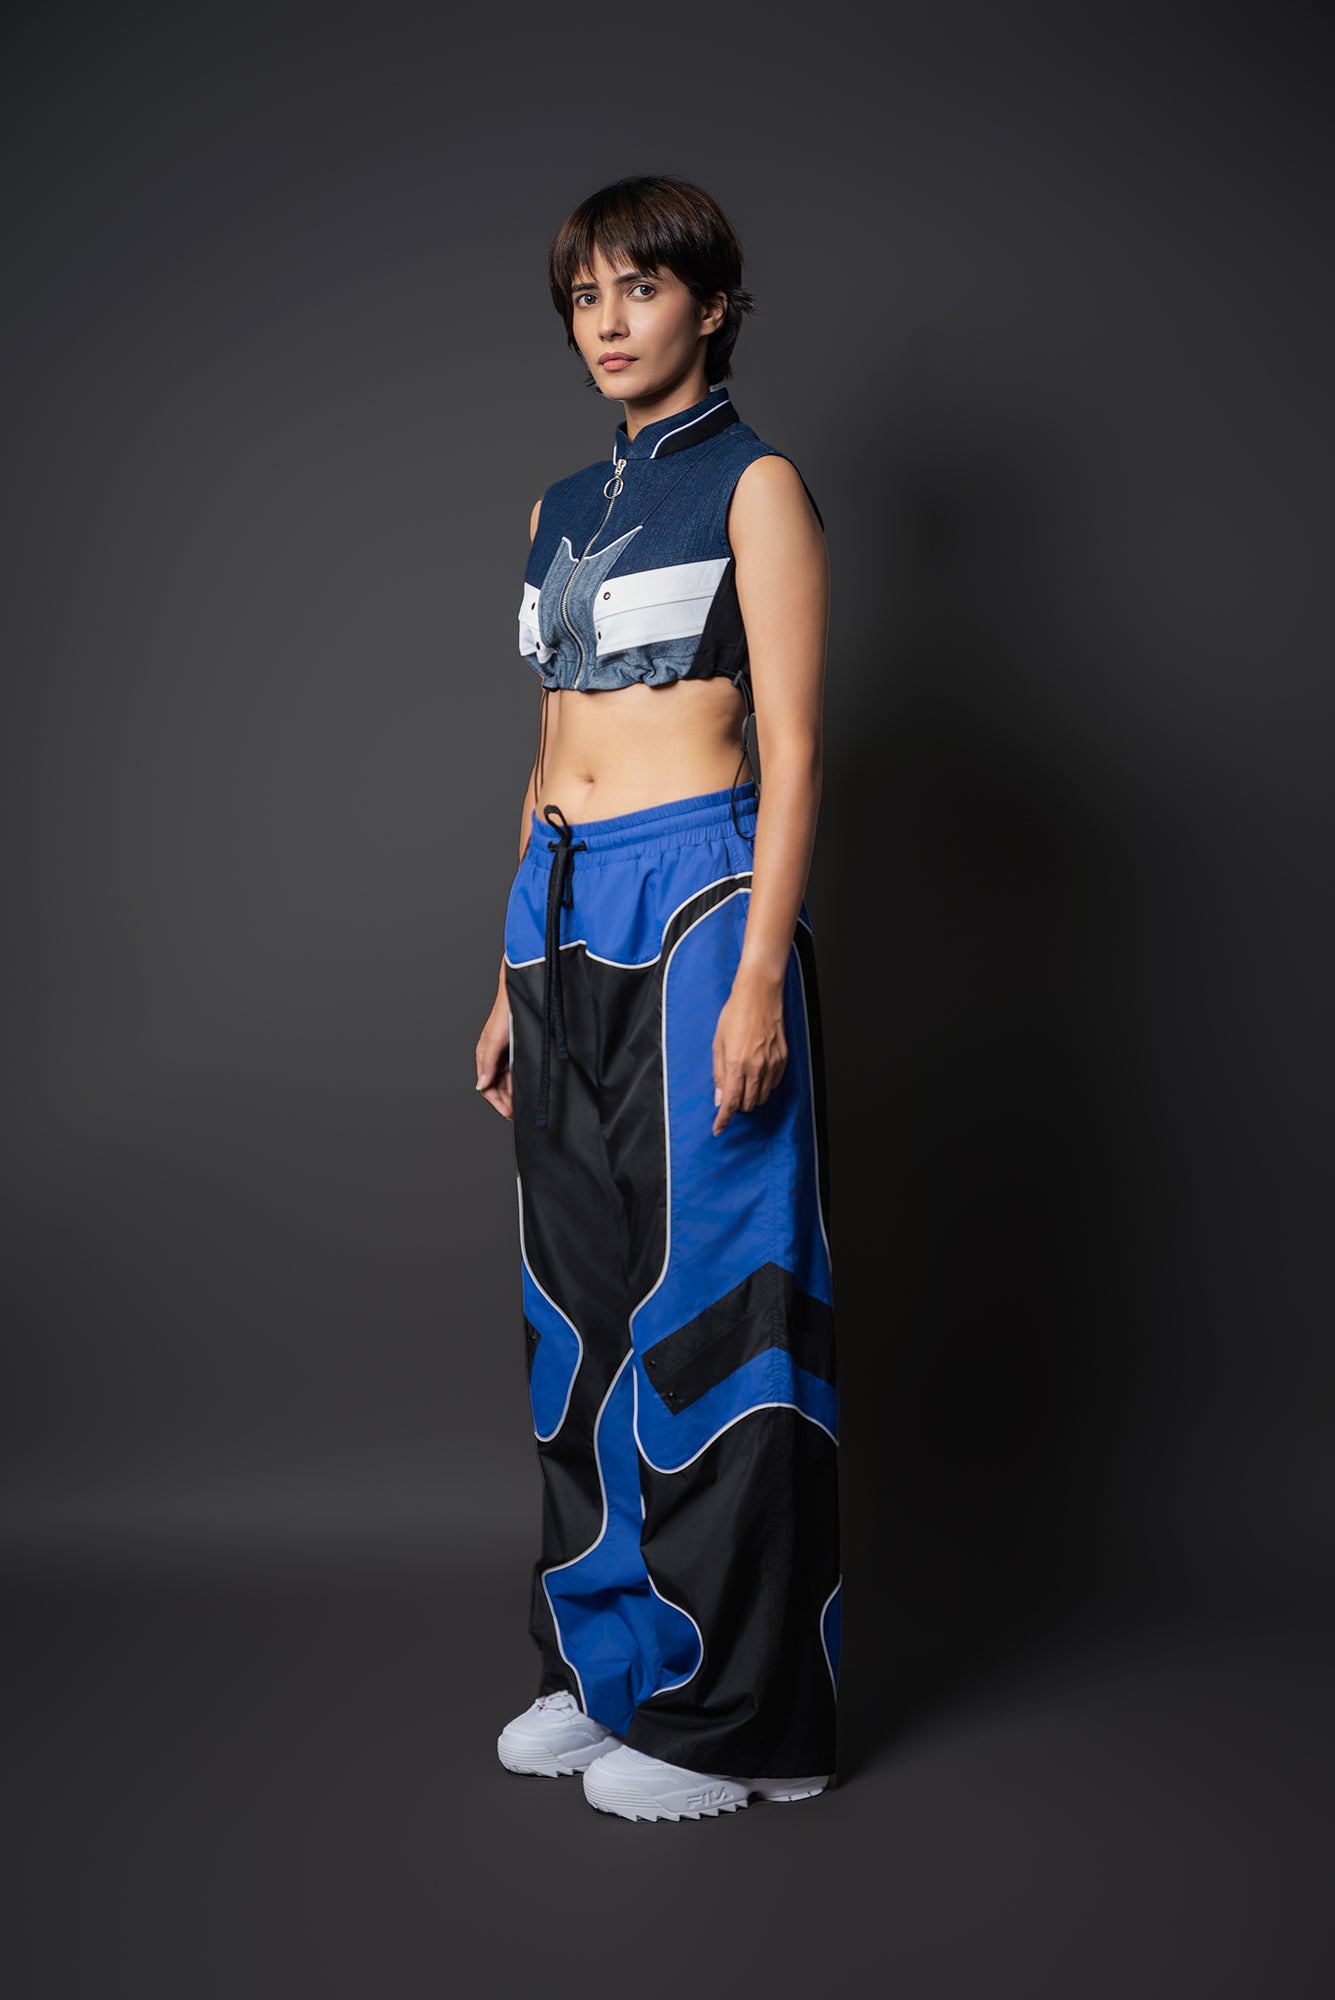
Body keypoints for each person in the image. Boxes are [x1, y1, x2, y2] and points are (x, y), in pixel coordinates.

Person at [474, 175, 840, 1824]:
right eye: (586, 296)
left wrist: (760, 972)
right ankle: (607, 1666)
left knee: (713, 1308)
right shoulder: (559, 503)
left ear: (710, 303)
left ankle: (745, 1723)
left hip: (697, 908)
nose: (610, 321)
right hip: (559, 917)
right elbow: (549, 745)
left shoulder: (757, 486)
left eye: (640, 288)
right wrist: (503, 974)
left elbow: (798, 751)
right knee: (577, 1307)